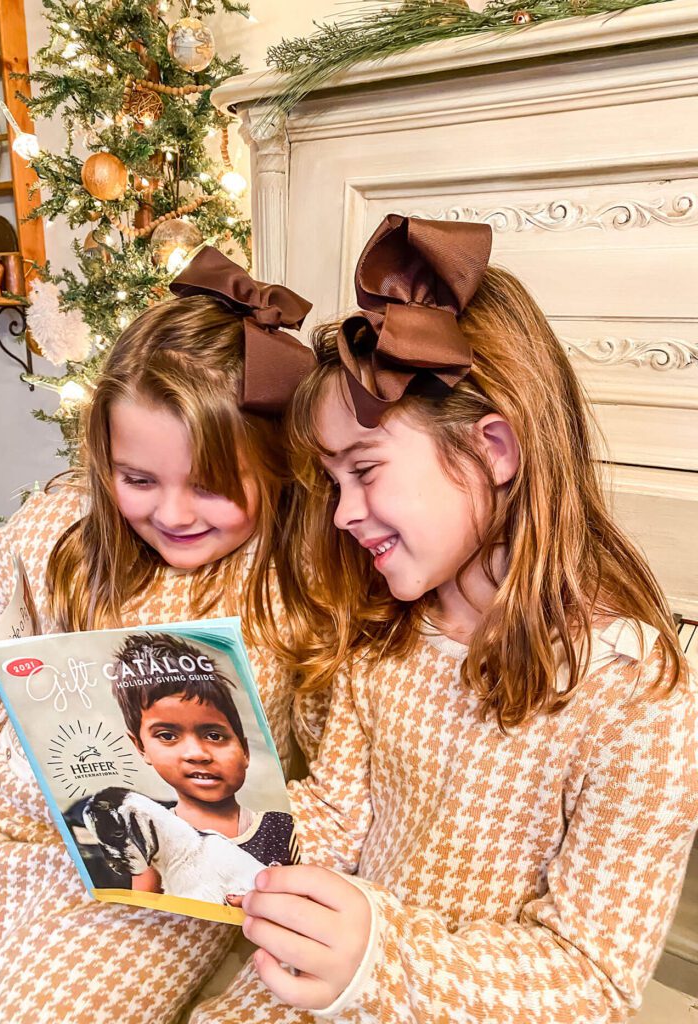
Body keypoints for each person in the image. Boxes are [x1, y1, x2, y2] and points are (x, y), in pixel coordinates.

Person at [190, 215, 698, 1023]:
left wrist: (380, 959)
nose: (343, 515)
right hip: (333, 978)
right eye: (332, 482)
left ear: (495, 448)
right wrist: (223, 829)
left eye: (364, 472)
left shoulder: (637, 696)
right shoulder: (384, 629)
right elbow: (341, 814)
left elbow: (591, 981)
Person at [0, 248, 327, 1024]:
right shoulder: (57, 538)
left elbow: (330, 776)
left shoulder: (296, 582)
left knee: (42, 1010)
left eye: (210, 487)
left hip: (159, 882)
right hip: (2, 818)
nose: (173, 514)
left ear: (276, 467)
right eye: (138, 479)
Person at [110, 630, 299, 882]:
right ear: (141, 747)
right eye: (167, 736)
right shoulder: (151, 835)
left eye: (214, 736)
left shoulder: (281, 828)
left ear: (244, 750)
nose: (197, 754)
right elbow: (148, 908)